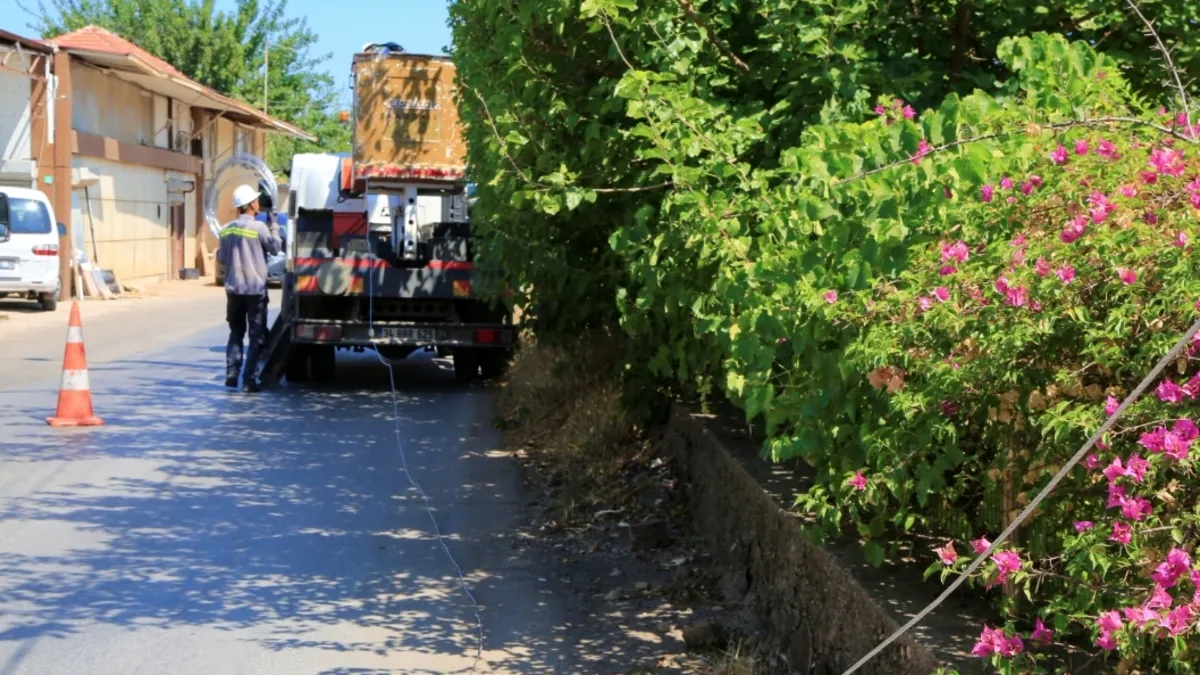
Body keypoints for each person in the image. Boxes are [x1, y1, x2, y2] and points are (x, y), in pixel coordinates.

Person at [216, 184, 281, 392]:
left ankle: (232, 372)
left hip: (234, 291)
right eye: (256, 200)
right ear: (251, 204)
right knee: (256, 336)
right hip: (255, 291)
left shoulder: (226, 230)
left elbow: (221, 259)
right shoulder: (259, 228)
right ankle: (249, 381)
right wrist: (274, 225)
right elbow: (275, 247)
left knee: (236, 332)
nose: (259, 203)